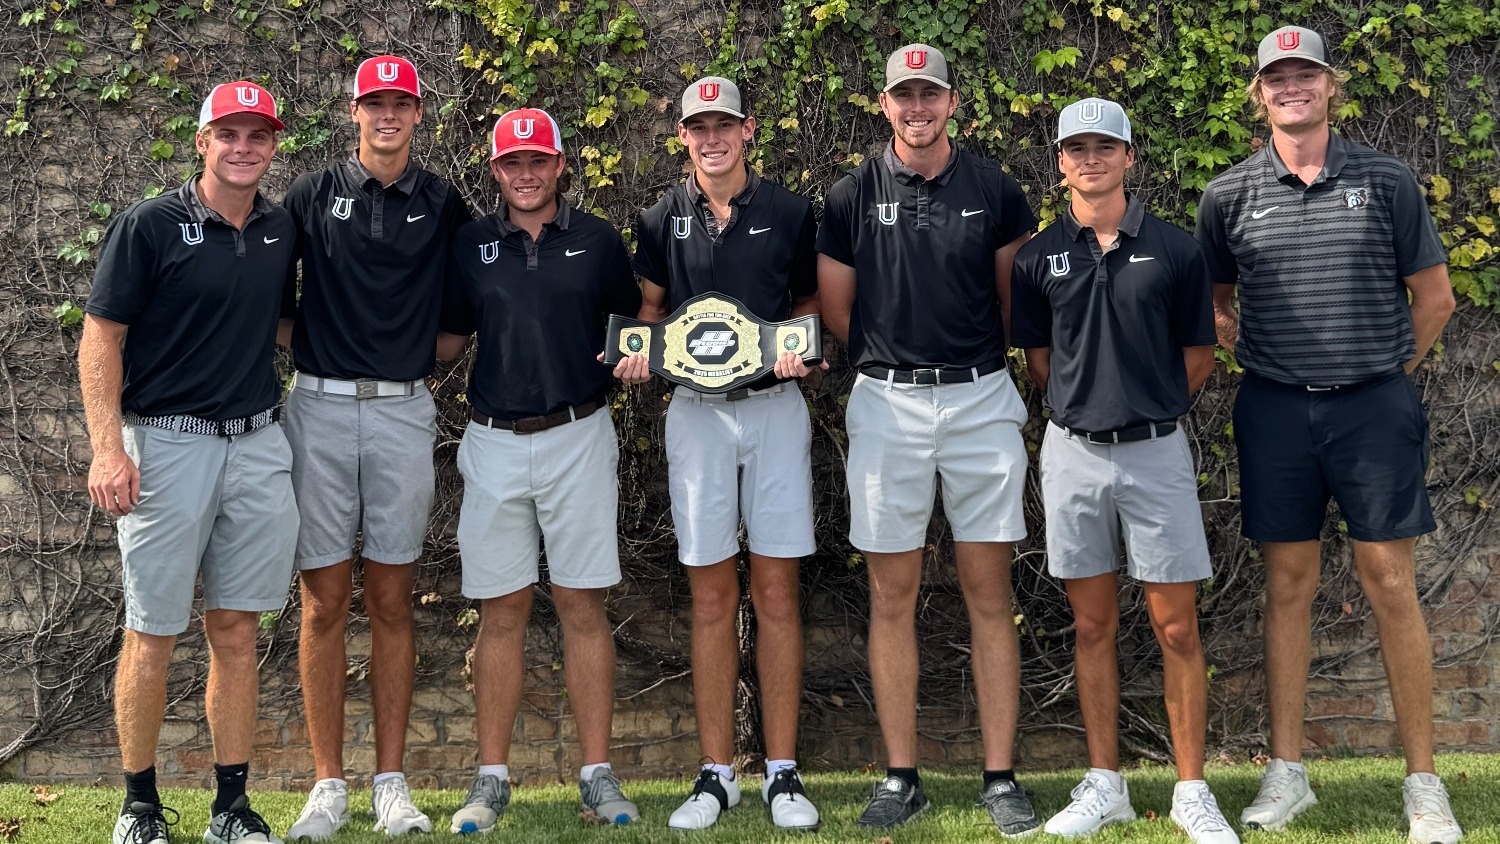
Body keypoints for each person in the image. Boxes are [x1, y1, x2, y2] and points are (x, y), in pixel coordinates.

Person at [1195, 25, 1460, 844]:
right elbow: (1214, 305)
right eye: (1277, 78)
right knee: (1287, 588)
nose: (1291, 88)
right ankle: (1287, 775)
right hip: (1275, 409)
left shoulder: (1386, 181)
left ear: (1329, 86)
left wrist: (1382, 370)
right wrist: (1255, 344)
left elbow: (1436, 297)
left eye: (1304, 74)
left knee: (1390, 585)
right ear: (1260, 93)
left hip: (1373, 407)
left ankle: (1424, 786)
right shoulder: (1229, 195)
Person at [816, 43, 1040, 834]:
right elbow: (840, 314)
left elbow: (1015, 305)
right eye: (903, 96)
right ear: (885, 105)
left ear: (952, 104)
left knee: (989, 594)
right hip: (887, 401)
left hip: (980, 398)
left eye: (930, 95)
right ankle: (900, 776)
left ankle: (1002, 777)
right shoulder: (851, 194)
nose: (917, 109)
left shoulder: (996, 189)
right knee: (891, 595)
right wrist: (898, 366)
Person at [1011, 97, 1236, 843]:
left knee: (1176, 627)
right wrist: (1090, 408)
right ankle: (1105, 783)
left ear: (1129, 157)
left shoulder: (1174, 249)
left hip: (1156, 451)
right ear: (1061, 161)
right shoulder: (1039, 256)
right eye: (1076, 147)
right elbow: (1041, 361)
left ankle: (1192, 790)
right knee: (1090, 623)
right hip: (1073, 451)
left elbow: (1198, 356)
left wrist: (1146, 406)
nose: (1091, 158)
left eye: (1105, 146)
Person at [81, 81, 297, 844]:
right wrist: (109, 447)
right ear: (201, 141)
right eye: (228, 135)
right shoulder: (150, 225)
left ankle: (230, 809)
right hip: (166, 444)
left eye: (258, 136)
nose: (243, 148)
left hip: (258, 443)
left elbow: (283, 322)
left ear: (273, 147)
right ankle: (138, 807)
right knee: (153, 629)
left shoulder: (280, 228)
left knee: (237, 630)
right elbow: (100, 335)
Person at [614, 75, 821, 832]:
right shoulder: (660, 216)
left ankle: (782, 773)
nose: (712, 138)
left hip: (774, 409)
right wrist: (638, 354)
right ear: (683, 137)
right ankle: (714, 774)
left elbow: (806, 309)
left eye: (723, 124)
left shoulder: (794, 214)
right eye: (698, 127)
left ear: (748, 129)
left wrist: (803, 349)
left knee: (775, 596)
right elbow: (650, 315)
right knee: (709, 598)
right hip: (696, 415)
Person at [435, 107, 643, 835]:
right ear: (495, 172)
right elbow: (448, 339)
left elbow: (633, 325)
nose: (525, 174)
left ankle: (597, 774)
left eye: (538, 162)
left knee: (583, 606)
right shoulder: (469, 244)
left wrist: (636, 356)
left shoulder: (597, 241)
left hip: (579, 434)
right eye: (511, 164)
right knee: (503, 610)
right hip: (493, 441)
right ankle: (491, 778)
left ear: (560, 166)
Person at [279, 54, 471, 840]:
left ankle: (391, 782)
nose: (387, 115)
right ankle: (328, 784)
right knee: (323, 602)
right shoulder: (311, 195)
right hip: (318, 409)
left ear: (419, 114)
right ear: (354, 113)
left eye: (401, 103)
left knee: (393, 598)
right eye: (373, 103)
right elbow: (266, 300)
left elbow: (460, 323)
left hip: (401, 412)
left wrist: (406, 365)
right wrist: (323, 348)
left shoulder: (443, 203)